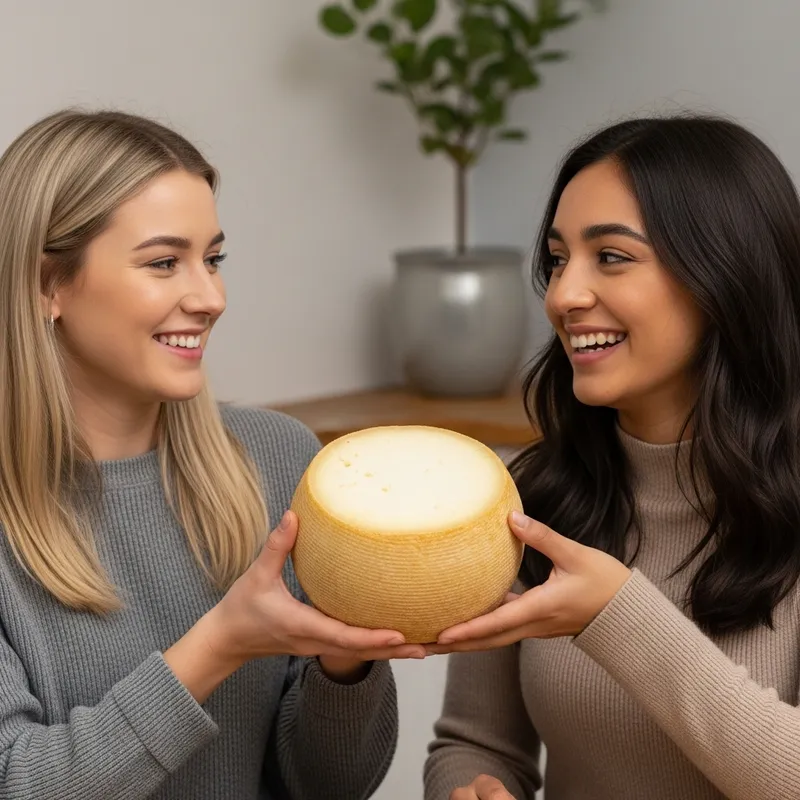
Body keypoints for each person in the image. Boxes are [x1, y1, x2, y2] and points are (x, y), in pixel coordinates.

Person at [0, 108, 426, 799]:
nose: (211, 297)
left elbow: (330, 786)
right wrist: (220, 643)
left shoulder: (279, 458)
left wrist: (343, 665)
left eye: (214, 259)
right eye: (164, 263)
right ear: (49, 284)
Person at [422, 114, 800, 799]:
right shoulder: (533, 494)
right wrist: (470, 787)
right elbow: (475, 741)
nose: (564, 296)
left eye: (613, 257)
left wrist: (619, 613)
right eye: (559, 258)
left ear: (725, 277)